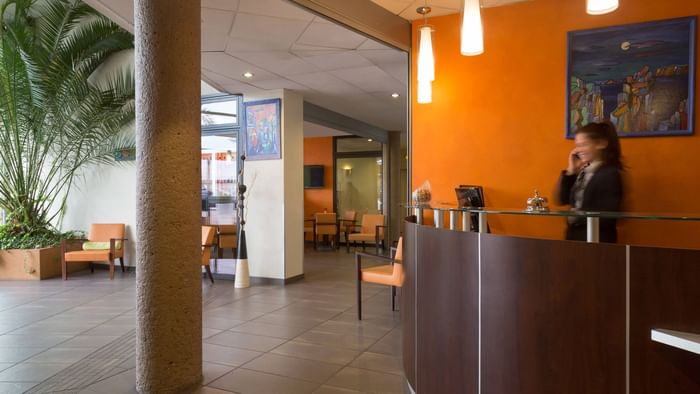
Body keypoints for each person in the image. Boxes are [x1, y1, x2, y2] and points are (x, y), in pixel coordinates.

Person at [557, 121, 624, 242]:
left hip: (598, 242)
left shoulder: (610, 174)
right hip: (575, 239)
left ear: (601, 144)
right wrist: (571, 170)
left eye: (583, 144)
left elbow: (608, 216)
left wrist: (576, 217)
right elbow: (562, 199)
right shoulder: (583, 172)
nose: (578, 150)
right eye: (577, 145)